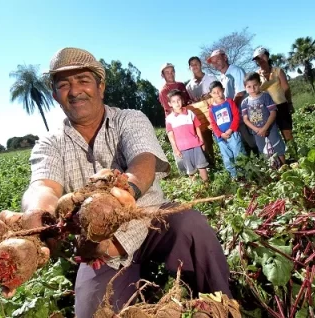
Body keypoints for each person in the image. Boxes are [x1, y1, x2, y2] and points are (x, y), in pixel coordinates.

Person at [21, 47, 232, 317]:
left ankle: (223, 305)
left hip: (152, 222)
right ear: (55, 95)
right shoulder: (50, 143)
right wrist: (38, 215)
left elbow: (143, 159)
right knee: (92, 311)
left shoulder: (129, 119)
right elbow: (42, 186)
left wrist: (125, 193)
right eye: (64, 85)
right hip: (101, 248)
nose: (74, 91)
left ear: (101, 86)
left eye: (83, 81)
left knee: (191, 224)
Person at [207, 49, 259, 155]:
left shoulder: (236, 71)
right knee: (244, 141)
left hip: (244, 112)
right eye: (213, 62)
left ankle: (264, 162)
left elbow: (240, 93)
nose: (215, 63)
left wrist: (230, 109)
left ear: (225, 58)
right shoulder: (222, 77)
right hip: (236, 116)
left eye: (218, 60)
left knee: (253, 139)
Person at [253, 47, 297, 158]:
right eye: (257, 59)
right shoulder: (256, 75)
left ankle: (294, 156)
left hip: (281, 106)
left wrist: (289, 103)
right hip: (267, 110)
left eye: (262, 56)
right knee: (273, 137)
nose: (261, 60)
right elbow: (256, 92)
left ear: (267, 56)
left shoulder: (278, 71)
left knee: (287, 133)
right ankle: (280, 161)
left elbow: (286, 88)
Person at [241, 72, 286, 165]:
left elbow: (273, 113)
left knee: (278, 147)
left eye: (255, 85)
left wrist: (265, 128)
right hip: (257, 132)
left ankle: (285, 166)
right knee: (264, 150)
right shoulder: (244, 103)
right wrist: (257, 130)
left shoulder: (266, 96)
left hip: (270, 128)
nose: (252, 89)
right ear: (245, 87)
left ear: (260, 84)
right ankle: (273, 170)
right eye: (249, 87)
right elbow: (245, 119)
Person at [165, 89, 209, 183]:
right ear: (170, 104)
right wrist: (176, 149)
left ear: (182, 100)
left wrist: (202, 142)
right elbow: (170, 135)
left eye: (178, 100)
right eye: (174, 101)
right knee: (190, 170)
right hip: (183, 148)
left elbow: (197, 128)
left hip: (196, 144)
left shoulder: (190, 113)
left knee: (202, 165)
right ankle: (195, 187)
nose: (177, 103)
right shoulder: (169, 119)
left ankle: (206, 184)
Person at [208, 81, 246, 179]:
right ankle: (234, 176)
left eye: (219, 91)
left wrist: (230, 130)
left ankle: (243, 175)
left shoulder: (229, 102)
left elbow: (236, 116)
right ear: (211, 94)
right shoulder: (211, 109)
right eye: (214, 92)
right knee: (227, 158)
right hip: (221, 138)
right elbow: (213, 123)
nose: (218, 94)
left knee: (239, 154)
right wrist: (220, 134)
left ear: (223, 90)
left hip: (233, 134)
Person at [158, 63, 190, 174]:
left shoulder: (181, 85)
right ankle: (184, 171)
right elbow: (169, 109)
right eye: (167, 72)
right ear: (163, 75)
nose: (170, 74)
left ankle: (196, 166)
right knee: (178, 145)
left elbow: (188, 101)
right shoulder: (163, 91)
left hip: (187, 119)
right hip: (175, 123)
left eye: (172, 71)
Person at [185, 56, 218, 167]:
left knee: (221, 137)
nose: (194, 66)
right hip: (202, 117)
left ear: (201, 64)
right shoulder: (189, 86)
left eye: (196, 63)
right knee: (206, 141)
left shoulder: (211, 77)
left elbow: (219, 92)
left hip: (216, 113)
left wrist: (209, 95)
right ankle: (212, 164)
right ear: (189, 68)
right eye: (192, 65)